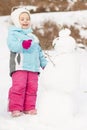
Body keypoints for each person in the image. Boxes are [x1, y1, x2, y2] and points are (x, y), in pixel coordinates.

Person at [7, 7, 47, 117]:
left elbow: (39, 51)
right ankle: (15, 107)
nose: (25, 21)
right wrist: (22, 45)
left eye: (27, 19)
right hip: (20, 66)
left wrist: (44, 63)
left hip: (33, 68)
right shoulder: (13, 34)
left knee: (32, 87)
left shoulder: (33, 37)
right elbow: (12, 46)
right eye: (22, 19)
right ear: (16, 20)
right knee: (19, 86)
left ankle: (29, 107)